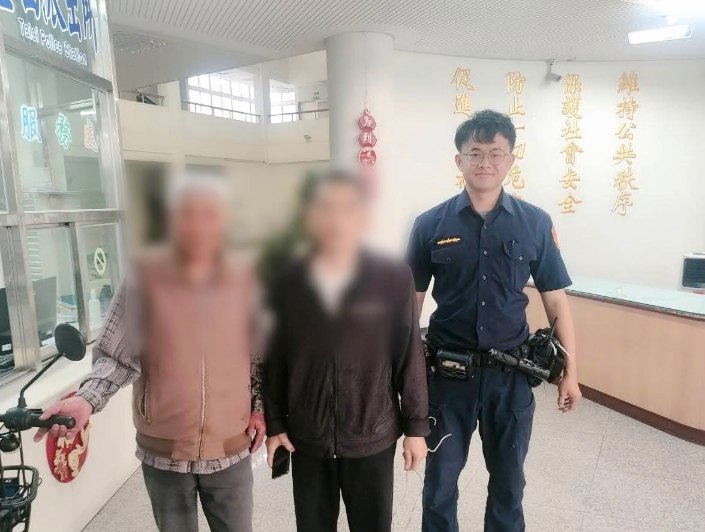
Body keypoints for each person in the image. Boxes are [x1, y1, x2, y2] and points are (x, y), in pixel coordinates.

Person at [34, 177, 266, 532]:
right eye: (188, 214)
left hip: (230, 448)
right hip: (163, 451)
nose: (199, 225)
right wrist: (87, 399)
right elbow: (117, 355)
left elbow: (260, 356)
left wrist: (260, 408)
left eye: (210, 214)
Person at [407, 110, 582, 532]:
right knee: (439, 486)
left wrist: (571, 374)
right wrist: (406, 381)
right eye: (475, 153)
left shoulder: (535, 223)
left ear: (510, 160)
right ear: (459, 160)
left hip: (511, 379)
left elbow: (556, 302)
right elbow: (409, 308)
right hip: (447, 379)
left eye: (495, 153)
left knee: (508, 485)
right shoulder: (429, 224)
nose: (485, 162)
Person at [264, 170, 429, 532]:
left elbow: (409, 355)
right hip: (308, 436)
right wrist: (275, 424)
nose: (336, 220)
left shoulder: (393, 278)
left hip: (372, 433)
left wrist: (416, 428)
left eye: (347, 209)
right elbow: (274, 359)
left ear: (364, 217)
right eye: (325, 208)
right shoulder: (286, 281)